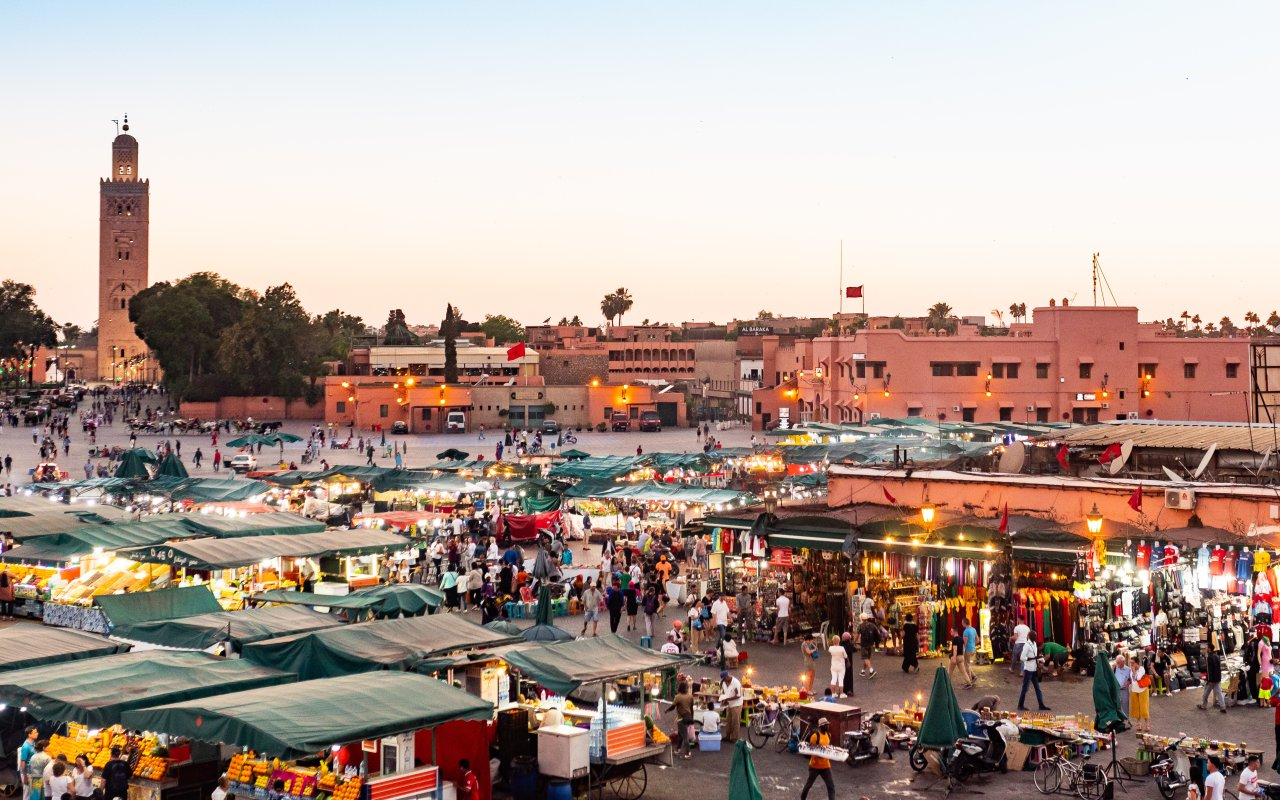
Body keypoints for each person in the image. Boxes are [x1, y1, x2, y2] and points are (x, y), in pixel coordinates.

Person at [799, 718, 836, 800]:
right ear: (821, 726)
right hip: (814, 767)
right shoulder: (815, 736)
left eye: (827, 725)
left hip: (826, 766)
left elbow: (828, 748)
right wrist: (821, 754)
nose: (827, 727)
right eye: (825, 725)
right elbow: (811, 751)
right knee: (809, 785)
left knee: (831, 786)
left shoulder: (829, 735)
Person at [1017, 632, 1051, 711]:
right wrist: (1031, 658)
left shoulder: (1034, 644)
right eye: (1035, 636)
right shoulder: (1027, 645)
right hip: (1028, 669)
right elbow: (1022, 657)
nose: (1035, 637)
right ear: (1030, 637)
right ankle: (1020, 705)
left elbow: (1035, 656)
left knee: (1037, 688)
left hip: (1034, 669)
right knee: (1025, 688)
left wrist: (1039, 659)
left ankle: (1041, 705)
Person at [668, 681, 696, 759]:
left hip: (681, 719)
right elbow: (691, 708)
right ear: (686, 688)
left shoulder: (678, 697)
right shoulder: (690, 696)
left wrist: (667, 710)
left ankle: (688, 753)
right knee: (680, 735)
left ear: (679, 688)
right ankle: (677, 749)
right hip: (688, 718)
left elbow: (673, 707)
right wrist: (692, 718)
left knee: (685, 737)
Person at [1199, 646, 1228, 713]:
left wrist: (1208, 679)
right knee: (1219, 693)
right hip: (1217, 678)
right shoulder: (1217, 656)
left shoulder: (1209, 657)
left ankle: (1204, 705)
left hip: (1211, 679)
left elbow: (1209, 670)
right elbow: (1218, 668)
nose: (1206, 649)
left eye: (1207, 648)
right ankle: (1223, 707)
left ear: (1209, 649)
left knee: (1205, 694)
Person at [718, 669, 743, 743]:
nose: (724, 681)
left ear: (727, 676)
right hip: (729, 704)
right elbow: (723, 691)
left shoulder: (736, 683)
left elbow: (738, 696)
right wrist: (723, 698)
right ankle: (728, 736)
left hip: (736, 704)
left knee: (735, 721)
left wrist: (727, 699)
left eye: (725, 679)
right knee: (729, 720)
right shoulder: (723, 683)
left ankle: (735, 737)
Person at [1129, 655, 1151, 732]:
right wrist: (1133, 671)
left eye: (1133, 663)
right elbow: (1132, 679)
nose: (1131, 665)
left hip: (1143, 690)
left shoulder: (1142, 669)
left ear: (1137, 663)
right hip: (1134, 690)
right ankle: (1139, 723)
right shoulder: (1131, 670)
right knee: (1136, 708)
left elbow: (1137, 678)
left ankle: (1147, 724)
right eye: (1130, 663)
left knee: (1144, 708)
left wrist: (1134, 671)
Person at [857, 613, 879, 679]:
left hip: (864, 643)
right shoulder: (872, 625)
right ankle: (863, 671)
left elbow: (857, 635)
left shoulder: (860, 626)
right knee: (867, 658)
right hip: (871, 643)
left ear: (861, 618)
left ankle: (871, 670)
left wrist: (854, 641)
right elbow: (877, 632)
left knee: (865, 657)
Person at [961, 618, 978, 686]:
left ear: (965, 623)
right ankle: (973, 676)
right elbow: (977, 639)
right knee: (968, 664)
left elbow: (965, 642)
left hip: (968, 650)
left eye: (962, 622)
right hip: (973, 649)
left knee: (966, 665)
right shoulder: (973, 629)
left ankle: (969, 680)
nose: (961, 624)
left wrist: (962, 650)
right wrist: (973, 645)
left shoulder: (966, 631)